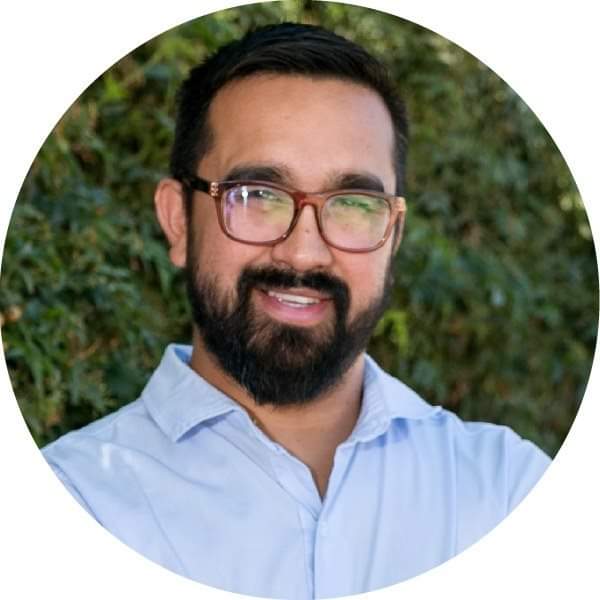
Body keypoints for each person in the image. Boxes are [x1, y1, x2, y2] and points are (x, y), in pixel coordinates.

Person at [42, 22, 550, 599]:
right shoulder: (72, 503)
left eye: (353, 203)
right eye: (256, 196)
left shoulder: (508, 493)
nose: (304, 253)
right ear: (179, 220)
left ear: (394, 234)